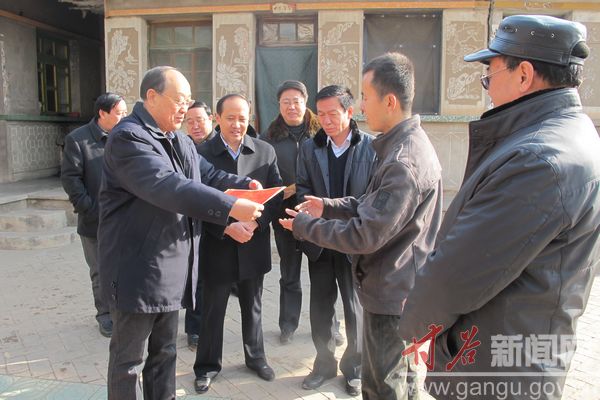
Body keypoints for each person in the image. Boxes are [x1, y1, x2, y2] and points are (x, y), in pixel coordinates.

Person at [396, 15, 600, 400]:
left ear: (524, 75)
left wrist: (416, 324)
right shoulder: (567, 133)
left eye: (489, 74)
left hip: (496, 369)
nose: (486, 86)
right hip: (521, 351)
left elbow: (460, 273)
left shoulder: (538, 160)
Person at [280, 52, 443, 399]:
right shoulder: (401, 146)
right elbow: (369, 203)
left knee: (384, 386)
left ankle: (351, 368)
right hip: (392, 281)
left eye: (366, 98)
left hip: (391, 291)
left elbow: (365, 232)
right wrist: (327, 206)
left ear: (389, 101)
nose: (364, 107)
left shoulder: (401, 160)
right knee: (401, 381)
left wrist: (305, 227)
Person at [98, 66, 264, 400]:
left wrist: (244, 185)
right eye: (179, 100)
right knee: (129, 361)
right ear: (151, 97)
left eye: (188, 101)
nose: (185, 109)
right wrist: (231, 207)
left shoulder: (179, 139)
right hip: (135, 270)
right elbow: (169, 186)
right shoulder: (129, 138)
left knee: (165, 353)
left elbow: (208, 174)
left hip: (171, 268)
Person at [192, 93, 283, 393]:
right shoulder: (201, 153)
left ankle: (256, 358)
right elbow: (195, 201)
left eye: (242, 118)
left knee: (253, 306)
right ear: (217, 119)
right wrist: (227, 226)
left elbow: (275, 196)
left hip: (253, 243)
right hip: (217, 244)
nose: (236, 124)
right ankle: (207, 366)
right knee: (212, 310)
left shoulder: (264, 151)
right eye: (230, 118)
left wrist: (256, 223)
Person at [296, 85, 376, 396]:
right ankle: (324, 363)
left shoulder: (370, 147)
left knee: (354, 308)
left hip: (353, 240)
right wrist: (311, 221)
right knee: (320, 306)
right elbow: (302, 187)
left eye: (333, 113)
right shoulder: (309, 147)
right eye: (321, 114)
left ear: (349, 112)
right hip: (320, 239)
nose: (326, 121)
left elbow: (372, 196)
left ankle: (354, 367)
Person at [260, 80, 344, 346]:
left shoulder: (321, 132)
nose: (291, 106)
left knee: (325, 274)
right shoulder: (269, 137)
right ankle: (288, 324)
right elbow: (264, 177)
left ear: (305, 102)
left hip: (317, 215)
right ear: (279, 105)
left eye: (296, 101)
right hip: (284, 215)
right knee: (289, 273)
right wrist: (279, 193)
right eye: (286, 102)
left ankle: (331, 327)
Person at [60, 92, 127, 338]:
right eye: (119, 113)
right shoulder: (78, 140)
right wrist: (89, 208)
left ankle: (124, 310)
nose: (124, 118)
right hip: (94, 221)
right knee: (100, 270)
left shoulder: (125, 137)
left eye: (125, 113)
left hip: (124, 219)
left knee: (125, 268)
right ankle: (105, 315)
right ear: (102, 113)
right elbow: (71, 180)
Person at [183, 100, 215, 351]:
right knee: (197, 278)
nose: (195, 126)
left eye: (200, 120)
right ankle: (194, 328)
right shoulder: (182, 146)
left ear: (211, 119)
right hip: (193, 222)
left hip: (220, 220)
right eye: (189, 121)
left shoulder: (219, 146)